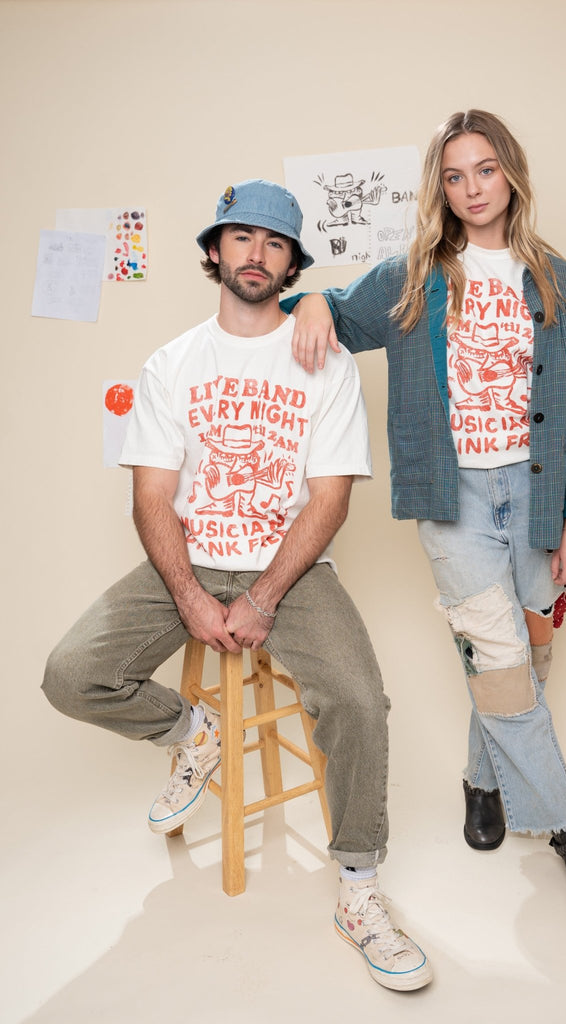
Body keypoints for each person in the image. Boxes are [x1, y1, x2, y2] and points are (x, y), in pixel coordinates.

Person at [42, 179, 433, 991]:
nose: (256, 254)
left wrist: (260, 598)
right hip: (187, 555)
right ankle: (192, 732)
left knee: (360, 699)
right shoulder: (172, 364)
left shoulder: (321, 364)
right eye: (242, 238)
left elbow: (328, 500)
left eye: (275, 242)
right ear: (215, 251)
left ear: (291, 262)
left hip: (288, 566)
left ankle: (358, 887)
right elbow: (152, 494)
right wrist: (188, 594)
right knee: (71, 673)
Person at [285, 111, 566, 900]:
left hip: (536, 496)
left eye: (486, 170)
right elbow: (336, 310)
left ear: (511, 174)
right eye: (454, 175)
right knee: (499, 658)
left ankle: (481, 779)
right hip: (455, 497)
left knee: (525, 655)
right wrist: (309, 302)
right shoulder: (413, 277)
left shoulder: (560, 284)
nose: (472, 189)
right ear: (440, 186)